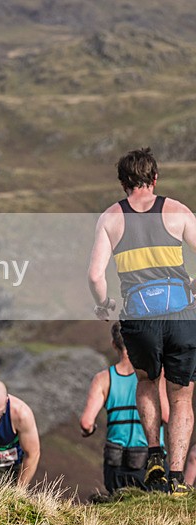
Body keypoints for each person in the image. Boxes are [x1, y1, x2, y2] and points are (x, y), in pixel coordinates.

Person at [87, 147, 196, 494]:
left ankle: (154, 455)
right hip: (181, 316)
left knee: (147, 382)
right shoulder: (178, 211)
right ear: (155, 178)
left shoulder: (110, 218)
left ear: (123, 182)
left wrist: (103, 304)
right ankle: (177, 478)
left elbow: (95, 276)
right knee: (181, 396)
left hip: (139, 317)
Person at [79, 322, 169, 494]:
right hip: (148, 460)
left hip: (115, 462)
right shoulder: (154, 374)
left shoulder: (103, 379)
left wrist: (91, 429)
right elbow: (165, 415)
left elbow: (86, 422)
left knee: (118, 504)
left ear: (114, 344)